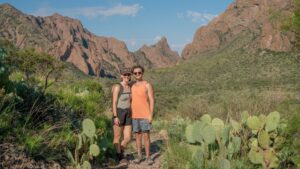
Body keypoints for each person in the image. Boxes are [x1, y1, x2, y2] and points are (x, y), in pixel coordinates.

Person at [131, 65, 155, 165]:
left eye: (139, 73)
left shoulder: (147, 85)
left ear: (142, 73)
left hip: (145, 115)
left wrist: (151, 115)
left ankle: (148, 157)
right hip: (134, 115)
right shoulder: (132, 86)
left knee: (146, 136)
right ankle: (139, 156)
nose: (137, 74)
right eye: (135, 73)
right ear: (133, 74)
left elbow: (152, 100)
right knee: (137, 136)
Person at [111, 68, 132, 165]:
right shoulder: (117, 87)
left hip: (128, 113)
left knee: (128, 137)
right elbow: (114, 102)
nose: (127, 76)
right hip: (119, 112)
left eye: (128, 75)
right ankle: (119, 155)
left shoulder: (130, 87)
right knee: (117, 136)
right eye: (125, 75)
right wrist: (115, 116)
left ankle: (120, 152)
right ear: (121, 76)